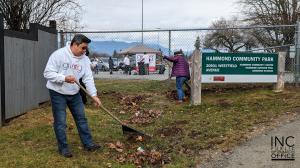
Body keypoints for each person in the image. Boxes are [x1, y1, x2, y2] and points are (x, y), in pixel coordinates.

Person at [44, 34, 102, 158]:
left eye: (86, 48)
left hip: (74, 93)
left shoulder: (85, 59)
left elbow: (88, 78)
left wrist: (94, 95)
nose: (85, 51)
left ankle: (88, 144)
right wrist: (63, 78)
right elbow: (47, 73)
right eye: (83, 48)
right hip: (57, 92)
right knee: (60, 122)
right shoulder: (58, 55)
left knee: (81, 119)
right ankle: (63, 148)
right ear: (75, 44)